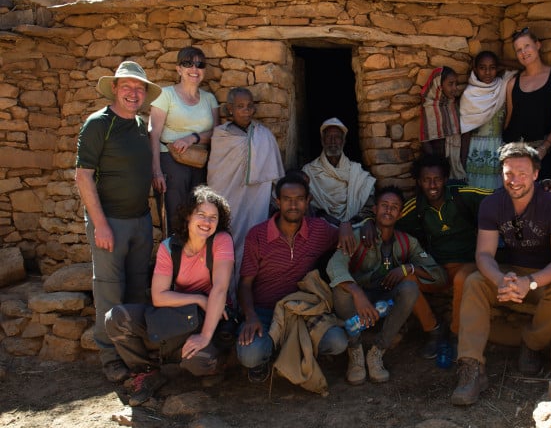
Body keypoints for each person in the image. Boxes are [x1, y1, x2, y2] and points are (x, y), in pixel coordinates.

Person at [451, 142, 551, 406]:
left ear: (535, 174)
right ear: (502, 173)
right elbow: (484, 254)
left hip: (546, 277)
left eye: (522, 173)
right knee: (475, 280)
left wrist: (529, 283)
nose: (515, 180)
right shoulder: (492, 204)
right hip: (510, 273)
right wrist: (500, 279)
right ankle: (471, 367)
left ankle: (531, 345)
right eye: (509, 173)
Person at [105, 186, 234, 407]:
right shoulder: (170, 248)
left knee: (200, 363)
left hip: (209, 320)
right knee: (116, 318)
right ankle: (147, 372)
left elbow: (220, 289)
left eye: (213, 217)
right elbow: (159, 297)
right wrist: (199, 299)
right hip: (177, 317)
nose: (207, 221)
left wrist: (204, 336)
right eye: (201, 214)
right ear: (188, 215)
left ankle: (219, 363)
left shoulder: (221, 241)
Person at [75, 61, 162, 383]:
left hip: (140, 220)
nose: (133, 93)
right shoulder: (99, 124)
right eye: (127, 86)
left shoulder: (141, 125)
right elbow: (83, 176)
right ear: (114, 88)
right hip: (110, 222)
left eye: (139, 88)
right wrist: (100, 225)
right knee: (110, 294)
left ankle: (137, 355)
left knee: (138, 290)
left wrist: (156, 175)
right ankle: (111, 358)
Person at [327, 186, 446, 384]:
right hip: (356, 304)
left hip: (383, 301)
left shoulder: (407, 242)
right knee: (341, 289)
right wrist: (357, 293)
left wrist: (409, 269)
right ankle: (354, 351)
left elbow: (439, 275)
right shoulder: (358, 235)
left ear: (400, 214)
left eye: (394, 207)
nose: (388, 211)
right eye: (384, 205)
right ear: (374, 209)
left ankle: (377, 351)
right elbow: (335, 265)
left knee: (410, 289)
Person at [236, 174, 347, 383]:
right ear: (277, 202)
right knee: (250, 354)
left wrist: (346, 225)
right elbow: (245, 284)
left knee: (337, 342)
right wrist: (251, 317)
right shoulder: (257, 235)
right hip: (265, 310)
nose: (293, 205)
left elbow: (344, 235)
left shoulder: (318, 230)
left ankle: (300, 351)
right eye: (287, 199)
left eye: (299, 199)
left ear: (308, 201)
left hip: (302, 309)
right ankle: (266, 357)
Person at [396, 154, 492, 356]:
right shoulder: (416, 207)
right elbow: (386, 217)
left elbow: (499, 197)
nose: (432, 185)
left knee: (462, 279)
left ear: (445, 179)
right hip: (437, 269)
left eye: (437, 179)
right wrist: (357, 226)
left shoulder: (463, 195)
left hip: (467, 264)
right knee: (406, 280)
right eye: (426, 180)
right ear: (419, 182)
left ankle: (457, 334)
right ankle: (433, 330)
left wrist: (543, 187)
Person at [207, 87, 284, 299]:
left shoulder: (264, 135)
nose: (246, 111)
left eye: (250, 106)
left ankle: (247, 299)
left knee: (252, 244)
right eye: (240, 107)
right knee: (226, 242)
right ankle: (226, 300)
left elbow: (275, 175)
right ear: (229, 109)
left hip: (255, 203)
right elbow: (217, 175)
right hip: (228, 200)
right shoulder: (221, 136)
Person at [150, 46, 219, 234]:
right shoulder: (166, 95)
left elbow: (217, 133)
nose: (194, 69)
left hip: (200, 163)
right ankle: (174, 260)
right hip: (171, 162)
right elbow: (154, 134)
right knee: (175, 215)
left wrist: (192, 138)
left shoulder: (209, 99)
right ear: (178, 69)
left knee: (199, 213)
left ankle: (195, 261)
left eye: (199, 64)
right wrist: (156, 172)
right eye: (187, 64)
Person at [504, 28, 551, 181]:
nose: (523, 52)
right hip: (515, 155)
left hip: (543, 154)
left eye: (527, 46)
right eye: (518, 50)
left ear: (538, 45)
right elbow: (509, 118)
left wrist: (545, 146)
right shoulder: (512, 83)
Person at [302, 117, 376, 254]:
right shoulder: (309, 172)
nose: (333, 141)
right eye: (329, 137)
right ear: (322, 141)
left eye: (337, 137)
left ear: (343, 141)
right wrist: (341, 224)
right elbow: (310, 208)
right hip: (323, 228)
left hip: (356, 224)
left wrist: (362, 221)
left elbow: (368, 198)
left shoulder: (356, 171)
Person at [459, 51, 517, 189]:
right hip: (475, 151)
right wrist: (462, 162)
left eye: (492, 67)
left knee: (496, 191)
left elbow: (523, 66)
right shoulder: (469, 95)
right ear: (475, 70)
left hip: (498, 148)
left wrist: (500, 60)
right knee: (475, 190)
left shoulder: (502, 85)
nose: (487, 72)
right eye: (482, 67)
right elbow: (466, 132)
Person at [419, 66, 466, 180]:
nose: (455, 88)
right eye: (450, 84)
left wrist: (462, 161)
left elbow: (464, 132)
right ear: (439, 85)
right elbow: (425, 140)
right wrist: (438, 166)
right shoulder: (428, 107)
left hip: (456, 161)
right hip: (435, 163)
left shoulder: (454, 105)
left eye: (456, 84)